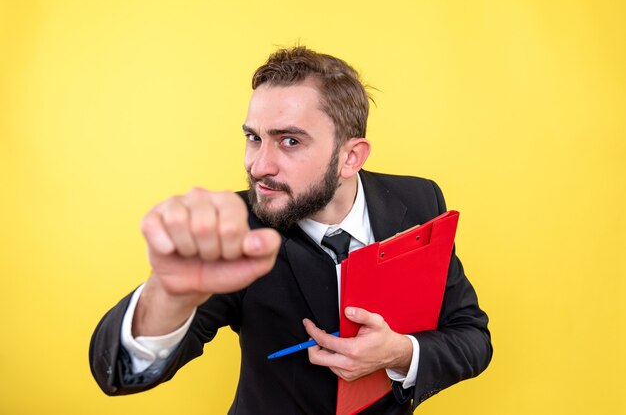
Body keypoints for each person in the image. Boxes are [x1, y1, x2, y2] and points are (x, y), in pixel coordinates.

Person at [89, 46, 492, 414]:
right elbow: (121, 374)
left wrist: (400, 353)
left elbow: (472, 338)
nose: (259, 165)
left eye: (290, 141)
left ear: (350, 156)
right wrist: (168, 293)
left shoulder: (419, 202)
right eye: (253, 137)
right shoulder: (235, 228)